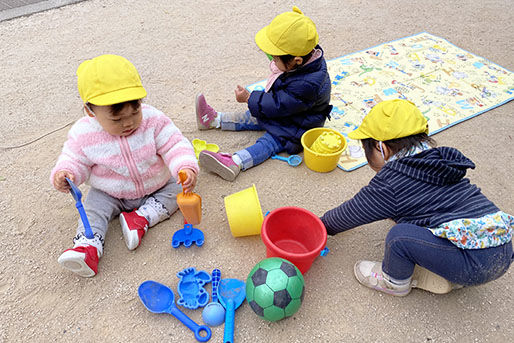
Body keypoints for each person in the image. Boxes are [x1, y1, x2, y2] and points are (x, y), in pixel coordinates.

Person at [320, 99, 513, 296]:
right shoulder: (439, 160)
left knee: (399, 237)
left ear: (382, 148)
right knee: (413, 218)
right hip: (502, 248)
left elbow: (352, 212)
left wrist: (320, 226)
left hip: (473, 263)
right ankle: (447, 273)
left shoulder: (393, 181)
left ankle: (395, 282)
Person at [51, 54, 199, 277]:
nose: (129, 123)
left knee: (179, 188)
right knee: (92, 208)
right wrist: (67, 173)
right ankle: (88, 247)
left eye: (135, 112)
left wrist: (184, 166)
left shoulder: (152, 120)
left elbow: (174, 143)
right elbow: (74, 159)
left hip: (156, 184)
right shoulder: (84, 133)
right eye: (117, 120)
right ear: (90, 111)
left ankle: (141, 218)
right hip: (110, 192)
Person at [196, 6, 332, 181]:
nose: (272, 61)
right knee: (255, 114)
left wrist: (249, 98)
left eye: (274, 58)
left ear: (296, 61)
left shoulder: (307, 85)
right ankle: (214, 120)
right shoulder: (305, 58)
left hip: (299, 126)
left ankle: (236, 162)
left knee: (271, 140)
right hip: (290, 111)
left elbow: (279, 104)